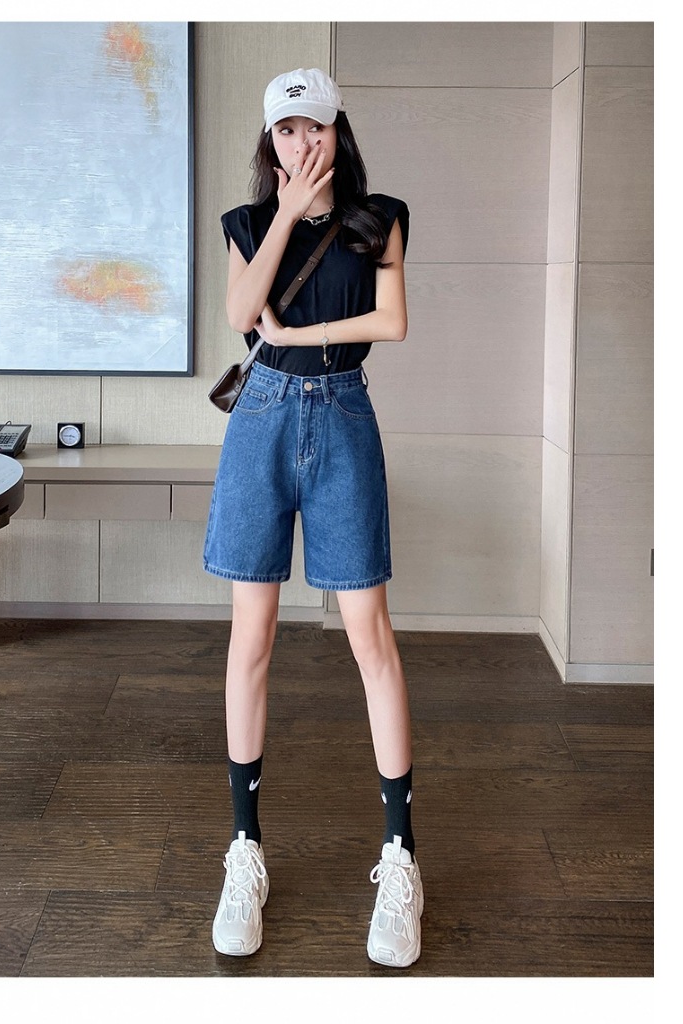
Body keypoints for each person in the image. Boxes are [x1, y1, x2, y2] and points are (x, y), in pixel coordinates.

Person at [203, 68, 422, 968]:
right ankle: (244, 853)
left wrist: (297, 336)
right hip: (260, 421)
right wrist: (288, 214)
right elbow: (239, 312)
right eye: (286, 130)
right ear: (271, 140)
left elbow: (392, 322)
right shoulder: (247, 223)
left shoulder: (380, 218)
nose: (302, 143)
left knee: (371, 636)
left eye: (316, 127)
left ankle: (401, 858)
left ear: (339, 131)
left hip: (342, 414)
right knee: (250, 637)